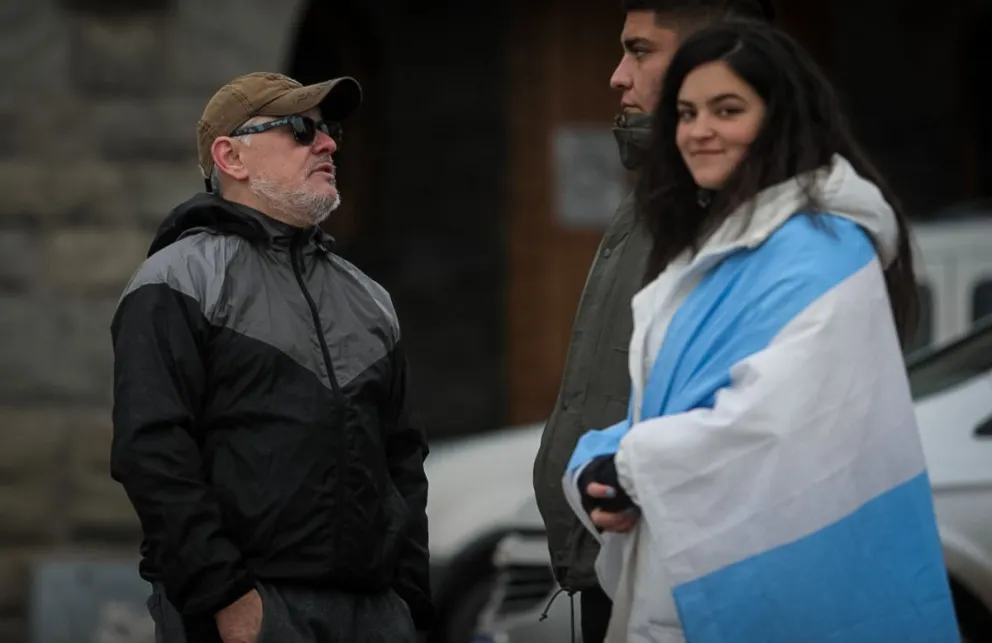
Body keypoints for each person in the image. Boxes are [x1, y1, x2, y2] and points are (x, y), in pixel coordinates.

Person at [563, 20, 961, 642]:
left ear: (780, 120)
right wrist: (593, 465)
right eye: (687, 112)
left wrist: (630, 468)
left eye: (728, 110)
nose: (700, 130)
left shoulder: (823, 249)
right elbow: (668, 401)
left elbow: (774, 422)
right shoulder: (711, 245)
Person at [110, 72, 432, 643]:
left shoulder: (369, 298)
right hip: (248, 611)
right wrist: (227, 599)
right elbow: (153, 453)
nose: (327, 144)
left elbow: (404, 462)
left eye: (329, 131)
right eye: (300, 130)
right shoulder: (176, 281)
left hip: (376, 613)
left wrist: (408, 600)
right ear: (231, 157)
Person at [531, 2, 774, 641]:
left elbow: (752, 414)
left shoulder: (746, 213)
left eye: (639, 50)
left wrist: (628, 473)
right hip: (616, 561)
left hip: (688, 577)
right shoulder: (658, 196)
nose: (617, 75)